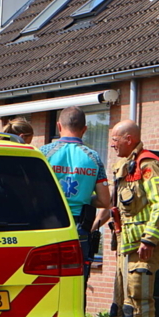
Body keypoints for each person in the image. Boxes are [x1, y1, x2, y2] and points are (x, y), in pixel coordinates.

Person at [102, 119, 159, 317]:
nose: (111, 145)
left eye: (115, 139)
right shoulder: (123, 166)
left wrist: (149, 239)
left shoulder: (148, 164)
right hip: (125, 247)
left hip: (142, 248)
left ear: (129, 139)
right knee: (120, 305)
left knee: (139, 303)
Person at [39, 106, 111, 285]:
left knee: (46, 283)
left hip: (48, 226)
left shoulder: (43, 153)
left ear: (58, 126)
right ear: (84, 129)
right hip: (79, 228)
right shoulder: (94, 158)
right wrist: (85, 197)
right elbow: (104, 200)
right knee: (77, 285)